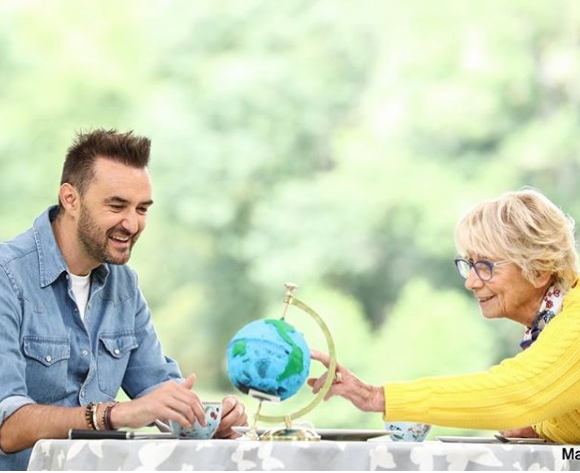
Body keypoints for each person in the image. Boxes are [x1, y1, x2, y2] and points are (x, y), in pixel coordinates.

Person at [0, 129, 247, 471]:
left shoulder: (124, 285)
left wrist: (203, 419)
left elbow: (158, 391)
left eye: (142, 209)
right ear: (70, 199)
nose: (132, 223)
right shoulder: (7, 276)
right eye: (117, 206)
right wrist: (115, 414)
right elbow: (7, 427)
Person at [308, 189, 580, 443]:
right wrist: (541, 426)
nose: (471, 282)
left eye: (485, 266)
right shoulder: (550, 327)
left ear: (540, 269)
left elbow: (517, 392)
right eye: (470, 265)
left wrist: (375, 396)